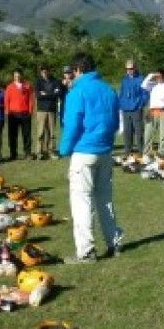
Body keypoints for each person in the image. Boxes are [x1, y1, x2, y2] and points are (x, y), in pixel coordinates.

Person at [58, 52, 124, 264]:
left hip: (84, 151)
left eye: (72, 72)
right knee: (105, 199)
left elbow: (72, 124)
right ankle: (115, 242)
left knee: (82, 201)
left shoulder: (77, 92)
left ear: (78, 70)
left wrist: (64, 149)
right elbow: (115, 123)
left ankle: (86, 251)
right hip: (104, 151)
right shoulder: (108, 89)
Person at [141, 68, 164, 160]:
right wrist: (152, 75)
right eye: (157, 76)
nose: (158, 78)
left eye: (160, 76)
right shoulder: (153, 85)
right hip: (152, 111)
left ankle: (161, 153)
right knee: (148, 133)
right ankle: (147, 152)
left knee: (163, 134)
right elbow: (143, 84)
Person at [4, 68, 35, 160]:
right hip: (13, 114)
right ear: (13, 76)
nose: (17, 77)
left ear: (21, 75)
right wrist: (7, 113)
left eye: (18, 75)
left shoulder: (27, 86)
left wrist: (30, 111)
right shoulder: (9, 87)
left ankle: (27, 153)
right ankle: (13, 154)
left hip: (25, 113)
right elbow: (6, 101)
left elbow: (31, 99)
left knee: (27, 134)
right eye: (15, 76)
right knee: (13, 135)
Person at [118, 59, 146, 157]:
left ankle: (141, 151)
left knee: (139, 131)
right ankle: (127, 151)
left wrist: (140, 104)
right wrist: (120, 104)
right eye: (127, 69)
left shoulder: (141, 79)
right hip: (125, 109)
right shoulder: (124, 79)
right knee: (127, 131)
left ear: (135, 67)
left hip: (136, 109)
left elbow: (145, 93)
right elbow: (121, 93)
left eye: (131, 68)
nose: (129, 70)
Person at [34, 65, 62, 160]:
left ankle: (51, 151)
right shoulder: (38, 82)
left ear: (49, 71)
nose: (44, 73)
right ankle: (39, 152)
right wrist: (52, 93)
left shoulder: (55, 81)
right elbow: (38, 95)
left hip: (52, 110)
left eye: (46, 71)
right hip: (41, 110)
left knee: (52, 132)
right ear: (41, 72)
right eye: (43, 71)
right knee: (40, 132)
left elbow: (58, 93)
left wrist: (46, 93)